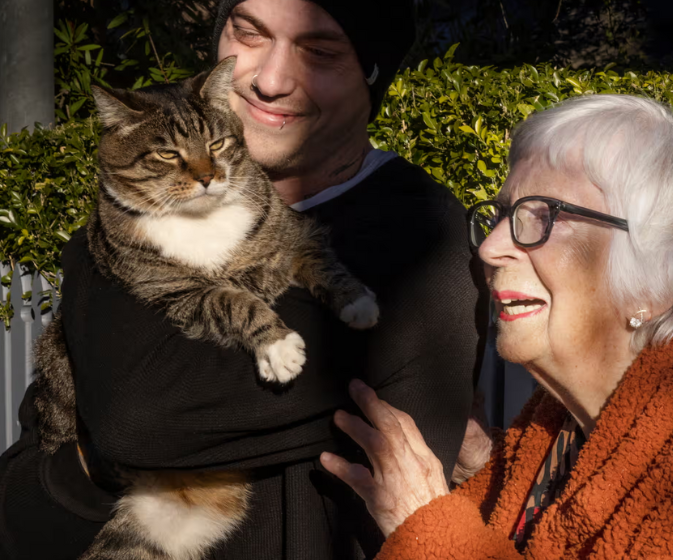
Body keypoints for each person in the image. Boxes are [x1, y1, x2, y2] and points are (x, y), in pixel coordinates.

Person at [0, 1, 487, 558]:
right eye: (248, 34)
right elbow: (27, 482)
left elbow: (139, 420)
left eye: (320, 53)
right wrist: (74, 476)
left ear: (371, 79)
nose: (270, 81)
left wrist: (89, 259)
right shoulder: (139, 221)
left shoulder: (414, 238)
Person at [321, 94, 673, 559]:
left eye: (544, 217)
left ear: (663, 280)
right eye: (504, 213)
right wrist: (480, 464)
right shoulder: (568, 418)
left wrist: (426, 528)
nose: (489, 249)